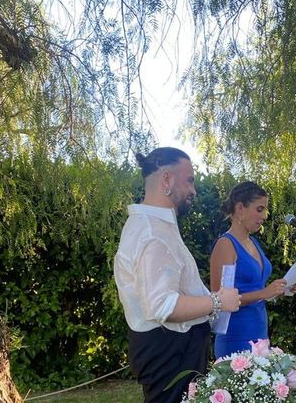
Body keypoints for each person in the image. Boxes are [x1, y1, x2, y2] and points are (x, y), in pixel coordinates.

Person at [114, 147, 241, 403]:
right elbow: (163, 305)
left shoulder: (155, 226)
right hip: (169, 353)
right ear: (166, 180)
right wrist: (218, 301)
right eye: (190, 180)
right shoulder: (152, 233)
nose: (194, 190)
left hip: (173, 349)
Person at [210, 181, 296, 359]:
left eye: (265, 210)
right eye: (259, 209)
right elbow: (218, 300)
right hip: (236, 336)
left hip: (259, 334)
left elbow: (257, 290)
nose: (264, 216)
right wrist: (265, 293)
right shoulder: (226, 245)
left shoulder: (253, 243)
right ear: (240, 208)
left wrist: (280, 290)